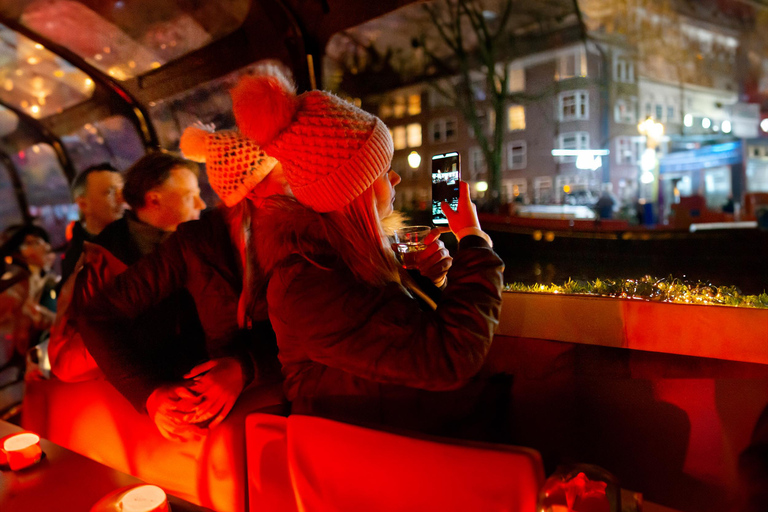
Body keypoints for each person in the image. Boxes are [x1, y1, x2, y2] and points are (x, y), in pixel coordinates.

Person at [232, 72, 503, 432]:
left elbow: (384, 338)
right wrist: (473, 238)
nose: (396, 180)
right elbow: (450, 358)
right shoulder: (308, 284)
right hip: (359, 451)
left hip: (385, 429)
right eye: (382, 170)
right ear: (352, 191)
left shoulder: (344, 254)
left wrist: (422, 281)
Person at [73, 137, 287, 441]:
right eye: (284, 180)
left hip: (285, 387)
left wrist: (245, 366)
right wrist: (151, 393)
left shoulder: (307, 233)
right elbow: (98, 315)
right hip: (228, 407)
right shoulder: (195, 242)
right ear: (248, 192)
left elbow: (316, 332)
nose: (295, 191)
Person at [0, 225, 57, 368]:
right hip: (24, 359)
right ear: (19, 252)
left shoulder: (46, 280)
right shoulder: (17, 282)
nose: (45, 247)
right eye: (34, 242)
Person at [60, 164, 125, 285]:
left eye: (121, 192)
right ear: (83, 204)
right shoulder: (76, 262)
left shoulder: (137, 236)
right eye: (110, 192)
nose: (121, 200)